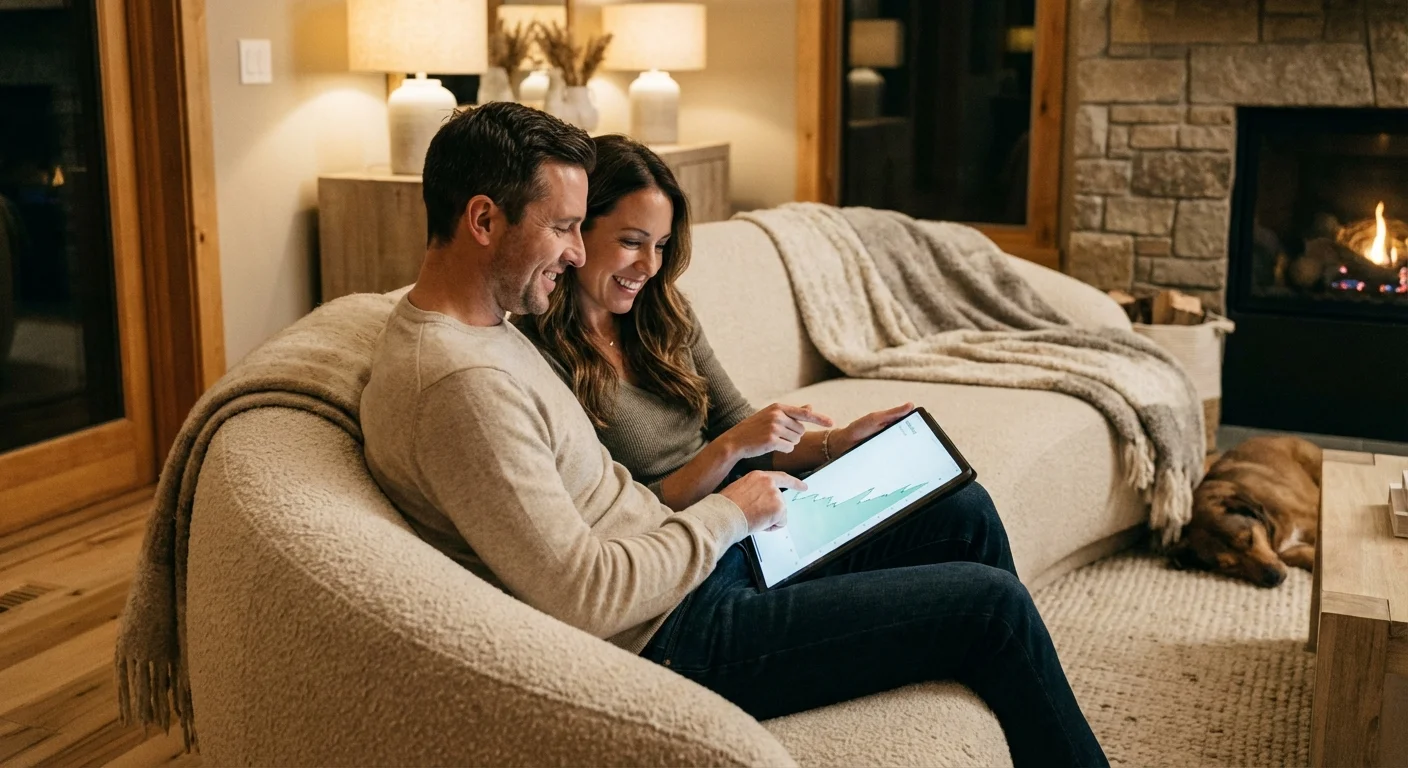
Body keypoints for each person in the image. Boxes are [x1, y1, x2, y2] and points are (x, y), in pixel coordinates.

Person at [359, 104, 1105, 767]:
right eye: (563, 228)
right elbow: (583, 595)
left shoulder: (491, 330)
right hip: (676, 634)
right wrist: (732, 511)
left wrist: (806, 464)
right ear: (484, 221)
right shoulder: (460, 383)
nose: (579, 252)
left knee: (957, 512)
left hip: (695, 567)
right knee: (989, 608)